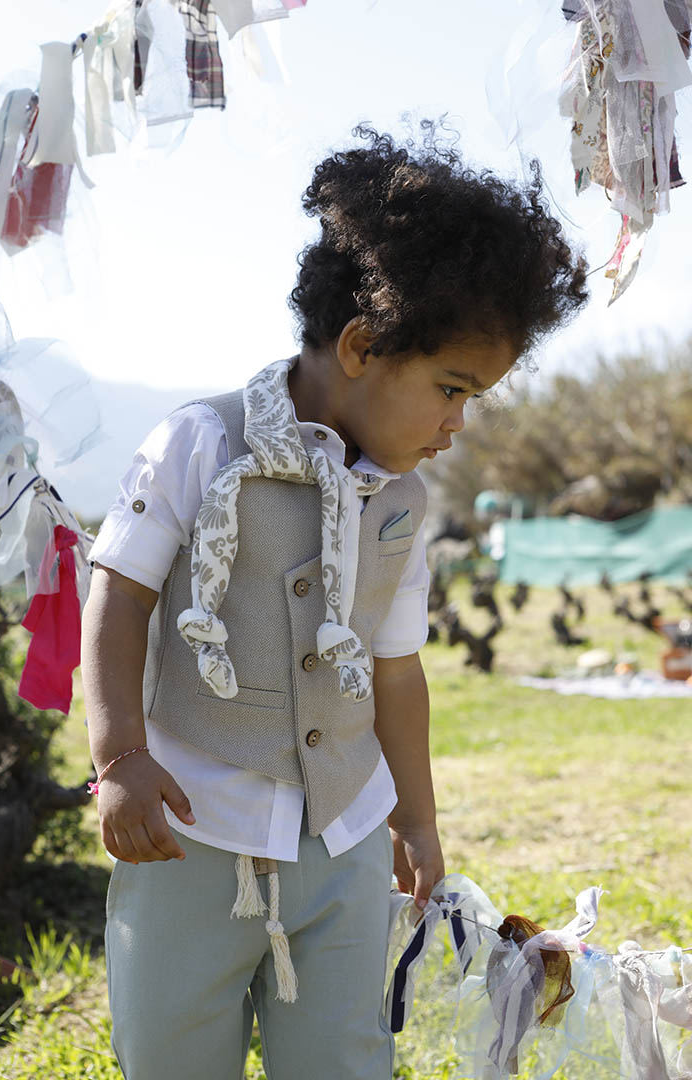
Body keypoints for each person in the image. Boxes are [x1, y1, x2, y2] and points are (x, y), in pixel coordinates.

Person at [81, 123, 588, 1080]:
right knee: (170, 1051)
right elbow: (119, 596)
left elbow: (396, 670)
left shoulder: (402, 501)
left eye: (473, 399)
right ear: (361, 345)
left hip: (344, 843)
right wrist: (121, 760)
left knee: (345, 1055)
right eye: (450, 388)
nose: (457, 423)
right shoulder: (200, 443)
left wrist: (415, 821)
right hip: (186, 836)